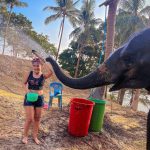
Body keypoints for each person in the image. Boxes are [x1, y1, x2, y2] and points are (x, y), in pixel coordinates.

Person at [22, 57, 53, 144]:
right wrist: (27, 92)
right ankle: (25, 136)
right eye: (34, 66)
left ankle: (35, 136)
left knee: (37, 118)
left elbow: (52, 72)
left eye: (38, 65)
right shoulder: (29, 73)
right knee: (29, 119)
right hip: (29, 97)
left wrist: (45, 63)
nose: (36, 67)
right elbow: (24, 83)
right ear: (32, 66)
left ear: (41, 66)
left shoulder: (43, 76)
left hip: (39, 98)